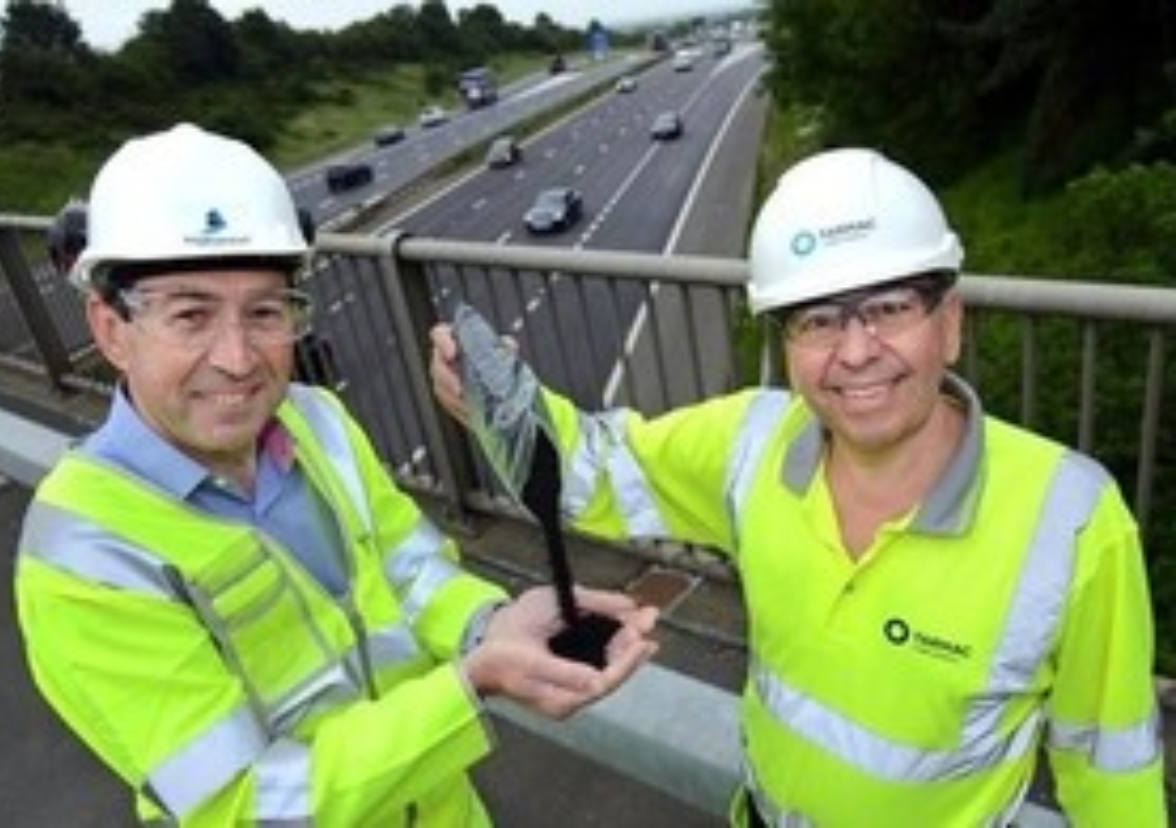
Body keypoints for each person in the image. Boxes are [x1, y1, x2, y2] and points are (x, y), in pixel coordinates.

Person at [430, 147, 1168, 825]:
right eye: (817, 319)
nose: (854, 352)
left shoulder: (1071, 521)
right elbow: (589, 470)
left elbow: (1111, 767)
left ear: (949, 321)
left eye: (887, 308)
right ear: (784, 346)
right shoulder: (751, 443)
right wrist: (497, 404)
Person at [15, 122, 658, 826]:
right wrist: (471, 683)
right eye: (191, 315)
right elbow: (243, 804)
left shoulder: (314, 419)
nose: (237, 358)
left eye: (265, 312)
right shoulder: (84, 554)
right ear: (110, 329)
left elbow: (410, 570)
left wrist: (492, 624)